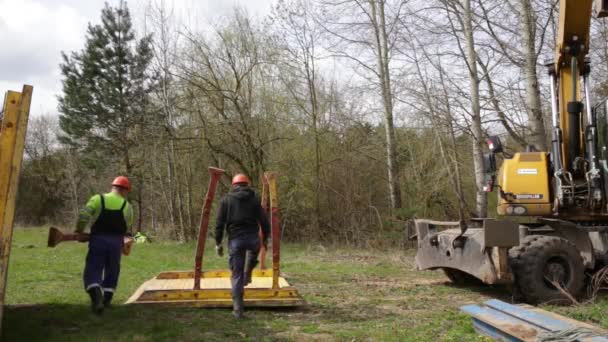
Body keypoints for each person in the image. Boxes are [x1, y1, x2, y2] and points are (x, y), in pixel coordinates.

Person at [75, 176, 134, 315]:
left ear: (113, 187)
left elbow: (84, 215)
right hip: (116, 243)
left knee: (93, 268)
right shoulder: (127, 206)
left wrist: (79, 230)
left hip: (98, 240)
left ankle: (96, 299)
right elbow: (128, 227)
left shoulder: (98, 199)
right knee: (112, 269)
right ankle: (106, 300)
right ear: (125, 191)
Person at [215, 173, 270, 319]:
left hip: (236, 241)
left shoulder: (226, 200)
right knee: (253, 253)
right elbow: (264, 222)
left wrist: (218, 243)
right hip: (253, 240)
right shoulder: (254, 199)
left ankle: (238, 311)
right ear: (247, 185)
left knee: (236, 275)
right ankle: (248, 274)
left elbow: (219, 224)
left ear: (234, 185)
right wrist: (265, 241)